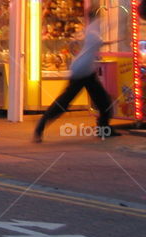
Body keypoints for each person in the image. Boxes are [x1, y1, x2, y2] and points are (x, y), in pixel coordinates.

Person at [34, 9, 120, 142]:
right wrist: (118, 32)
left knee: (100, 100)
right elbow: (104, 32)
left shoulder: (91, 29)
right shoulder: (93, 29)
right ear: (97, 16)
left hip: (84, 70)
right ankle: (40, 126)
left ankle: (104, 128)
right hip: (83, 71)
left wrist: (114, 40)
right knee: (97, 101)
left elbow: (98, 39)